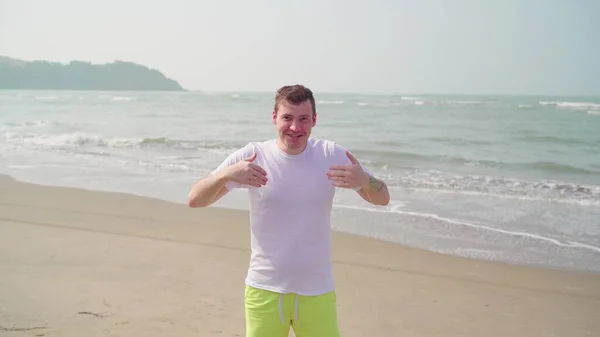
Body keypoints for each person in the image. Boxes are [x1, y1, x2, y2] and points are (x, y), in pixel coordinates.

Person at [187, 84, 390, 337]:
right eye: (287, 118)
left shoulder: (331, 154)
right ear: (274, 118)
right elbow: (195, 199)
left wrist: (365, 181)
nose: (295, 127)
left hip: (317, 290)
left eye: (303, 119)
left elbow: (382, 197)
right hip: (264, 289)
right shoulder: (253, 156)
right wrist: (226, 174)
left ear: (314, 120)